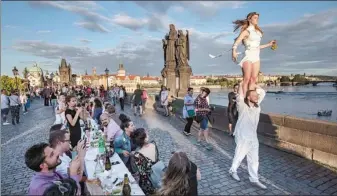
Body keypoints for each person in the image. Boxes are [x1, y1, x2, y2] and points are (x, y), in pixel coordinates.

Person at [229, 82, 267, 189]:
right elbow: (240, 96)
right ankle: (232, 170)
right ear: (249, 97)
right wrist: (242, 84)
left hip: (253, 137)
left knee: (254, 159)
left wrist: (254, 84)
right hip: (242, 135)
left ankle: (254, 179)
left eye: (257, 96)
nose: (257, 97)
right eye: (254, 96)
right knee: (239, 155)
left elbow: (262, 92)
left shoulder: (257, 106)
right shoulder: (242, 105)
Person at [231, 12, 276, 96]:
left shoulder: (258, 32)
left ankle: (250, 96)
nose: (257, 19)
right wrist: (234, 51)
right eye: (255, 18)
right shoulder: (246, 31)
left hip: (256, 57)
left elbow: (257, 47)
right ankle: (244, 98)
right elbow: (237, 41)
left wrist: (269, 44)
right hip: (247, 56)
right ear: (249, 19)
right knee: (246, 79)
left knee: (254, 79)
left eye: (257, 18)